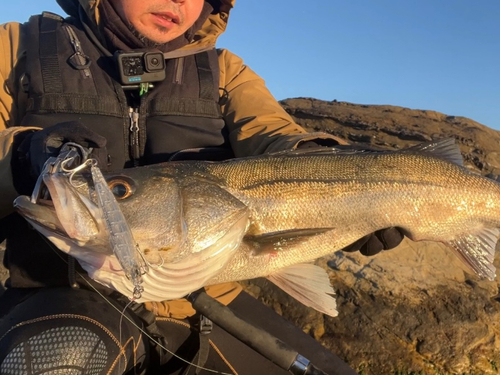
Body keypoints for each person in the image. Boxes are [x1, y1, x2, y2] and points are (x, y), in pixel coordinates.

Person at [0, 0, 405, 373]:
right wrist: (24, 154)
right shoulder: (18, 45)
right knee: (60, 356)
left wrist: (351, 193)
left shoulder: (225, 69)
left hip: (211, 298)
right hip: (57, 293)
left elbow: (278, 137)